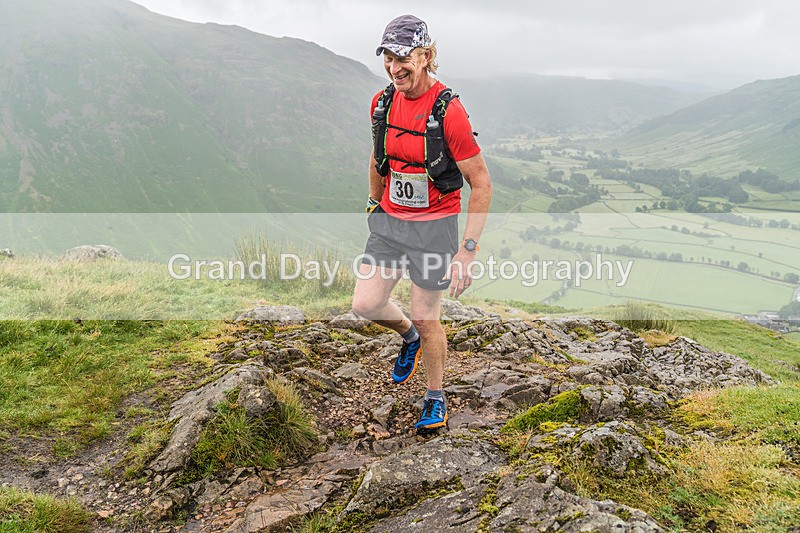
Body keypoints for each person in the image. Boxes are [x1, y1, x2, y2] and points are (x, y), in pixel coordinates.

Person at [351, 14, 492, 432]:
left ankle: (435, 396)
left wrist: (467, 252)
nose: (396, 67)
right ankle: (407, 336)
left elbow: (480, 183)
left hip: (434, 226)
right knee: (365, 304)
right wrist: (374, 203)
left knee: (429, 316)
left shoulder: (449, 111)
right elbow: (379, 159)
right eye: (389, 58)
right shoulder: (382, 103)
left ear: (427, 56)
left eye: (404, 58)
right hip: (391, 221)